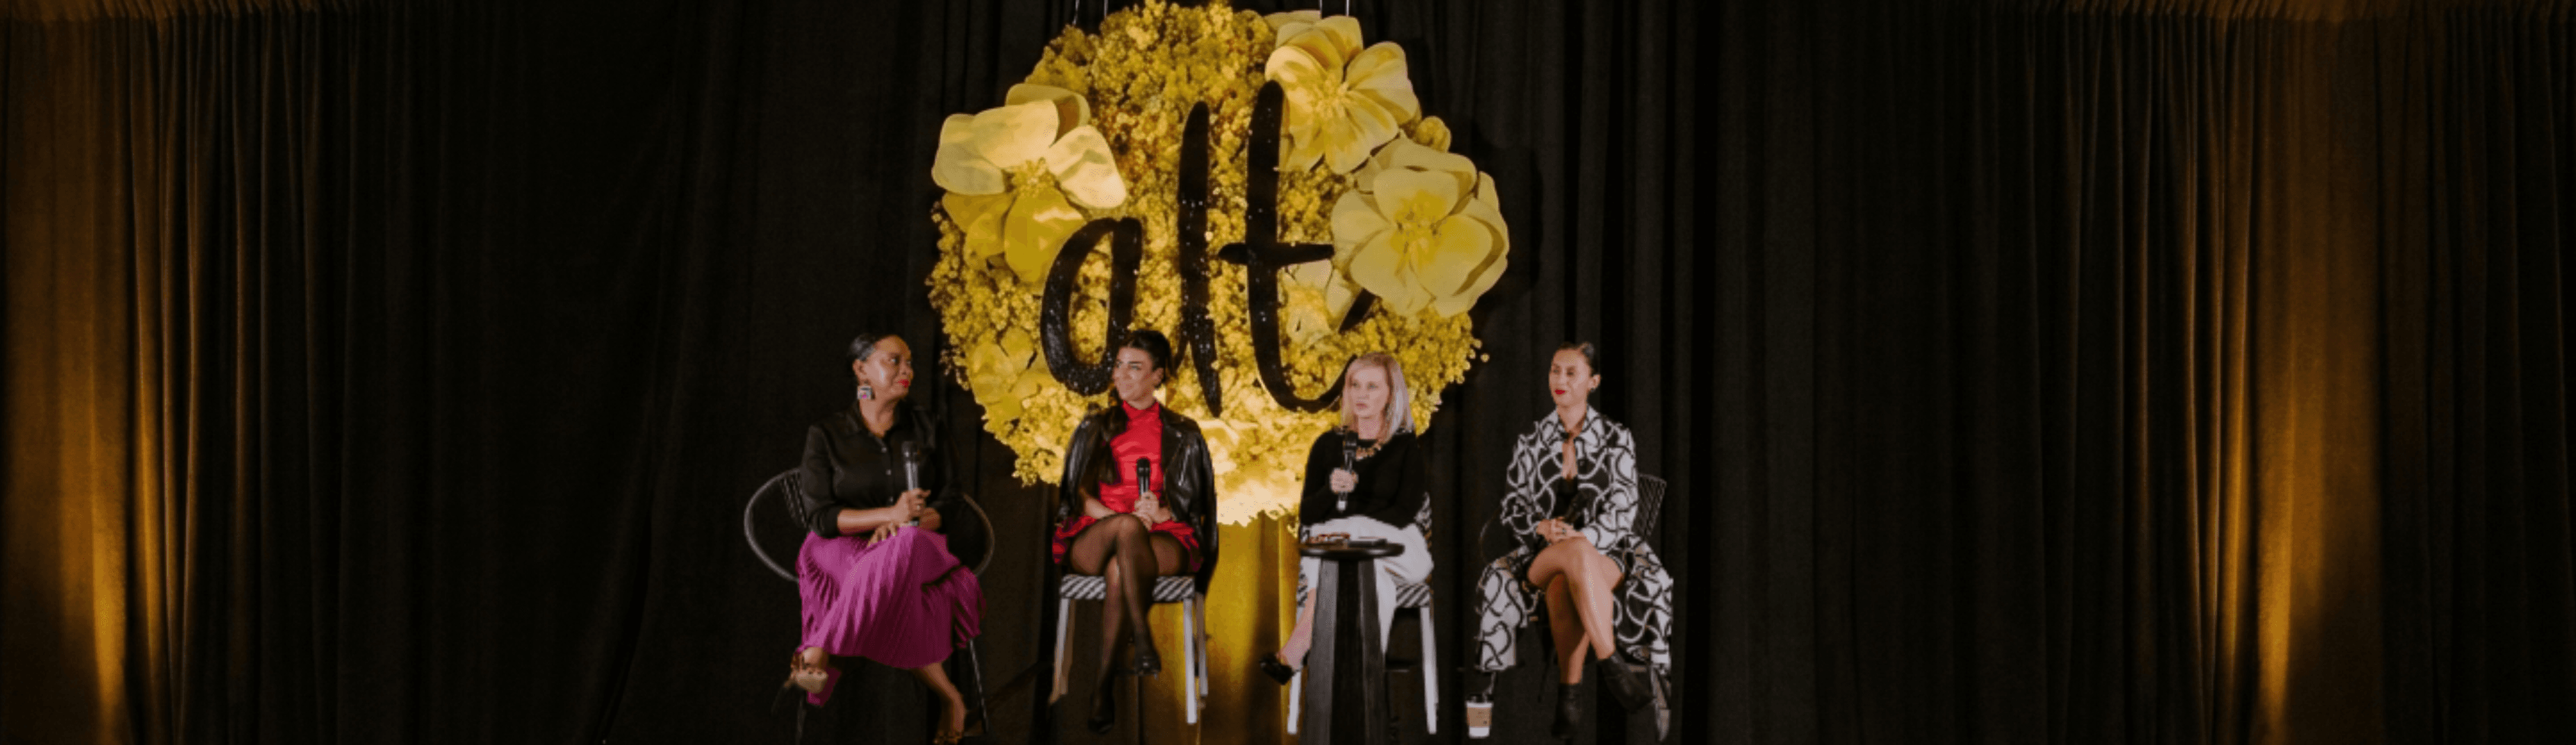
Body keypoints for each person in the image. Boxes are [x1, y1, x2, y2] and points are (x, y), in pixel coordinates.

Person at [783, 332, 982, 744]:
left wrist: (917, 520)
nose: (907, 371)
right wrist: (887, 516)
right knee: (873, 581)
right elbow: (820, 518)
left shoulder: (928, 427)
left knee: (901, 549)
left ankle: (819, 647)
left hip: (918, 545)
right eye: (895, 361)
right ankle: (950, 697)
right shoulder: (825, 434)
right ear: (861, 370)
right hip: (843, 545)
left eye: (909, 363)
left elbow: (952, 497)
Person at [1472, 342, 1672, 738]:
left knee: (1573, 571)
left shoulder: (1618, 439)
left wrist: (1587, 535)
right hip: (1542, 554)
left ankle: (1570, 694)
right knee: (1569, 559)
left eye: (1570, 373)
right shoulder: (1530, 441)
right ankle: (1611, 663)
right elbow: (1512, 506)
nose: (1559, 380)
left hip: (1606, 551)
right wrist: (1541, 527)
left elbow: (1625, 506)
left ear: (1593, 382)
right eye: (1554, 371)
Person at [1049, 330, 1219, 734]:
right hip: (1096, 532)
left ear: (1158, 376)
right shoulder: (1095, 426)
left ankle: (1102, 687)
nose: (1122, 376)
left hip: (1162, 535)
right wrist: (1114, 517)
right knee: (1124, 530)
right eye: (1119, 365)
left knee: (1119, 572)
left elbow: (1198, 504)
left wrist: (1159, 512)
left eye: (1135, 368)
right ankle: (1143, 640)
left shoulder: (1185, 432)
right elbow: (1078, 496)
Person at [1258, 352, 1431, 687]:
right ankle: (1365, 683)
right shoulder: (1327, 445)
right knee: (1366, 574)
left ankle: (1296, 649)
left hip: (1401, 551)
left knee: (1337, 534)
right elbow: (1308, 513)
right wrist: (1329, 491)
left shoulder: (1405, 446)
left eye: (1372, 386)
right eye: (1355, 385)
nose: (1361, 395)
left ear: (1390, 394)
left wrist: (1352, 511)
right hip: (1350, 560)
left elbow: (1404, 512)